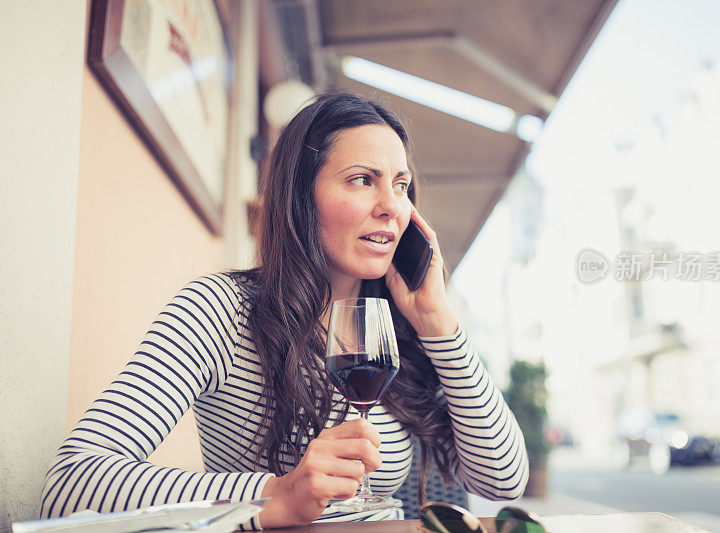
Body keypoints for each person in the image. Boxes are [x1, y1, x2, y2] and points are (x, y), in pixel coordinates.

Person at [39, 93, 528, 529]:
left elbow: (504, 481)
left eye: (400, 186)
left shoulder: (395, 329)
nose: (391, 207)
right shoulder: (220, 312)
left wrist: (438, 321)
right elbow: (70, 485)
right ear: (300, 197)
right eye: (363, 180)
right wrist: (274, 494)